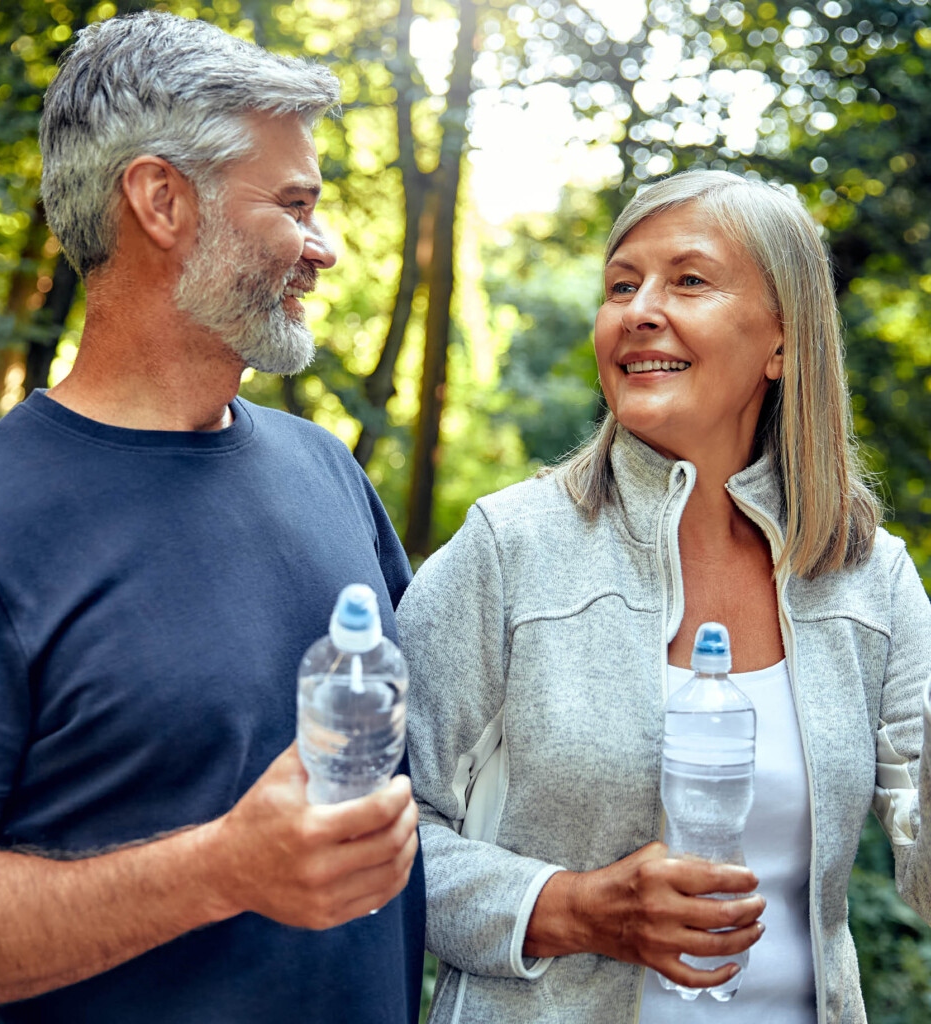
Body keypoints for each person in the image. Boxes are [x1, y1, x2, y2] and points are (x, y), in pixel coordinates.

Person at [0, 11, 424, 1023]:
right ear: (161, 199)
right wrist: (220, 869)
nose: (323, 250)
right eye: (294, 204)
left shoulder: (327, 472)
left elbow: (426, 803)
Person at [397, 169, 931, 1023]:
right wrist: (568, 907)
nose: (639, 308)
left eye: (688, 279)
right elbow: (371, 833)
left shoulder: (871, 578)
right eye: (621, 284)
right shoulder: (509, 548)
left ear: (783, 341)